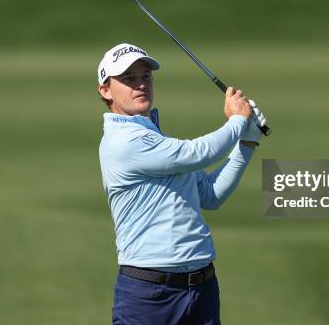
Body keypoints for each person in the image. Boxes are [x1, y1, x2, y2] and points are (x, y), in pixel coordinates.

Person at [97, 43, 267, 325]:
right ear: (105, 90)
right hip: (150, 295)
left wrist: (247, 142)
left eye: (145, 76)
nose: (141, 84)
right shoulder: (123, 141)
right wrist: (237, 121)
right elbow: (197, 153)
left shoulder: (156, 139)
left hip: (201, 288)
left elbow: (211, 195)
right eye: (128, 79)